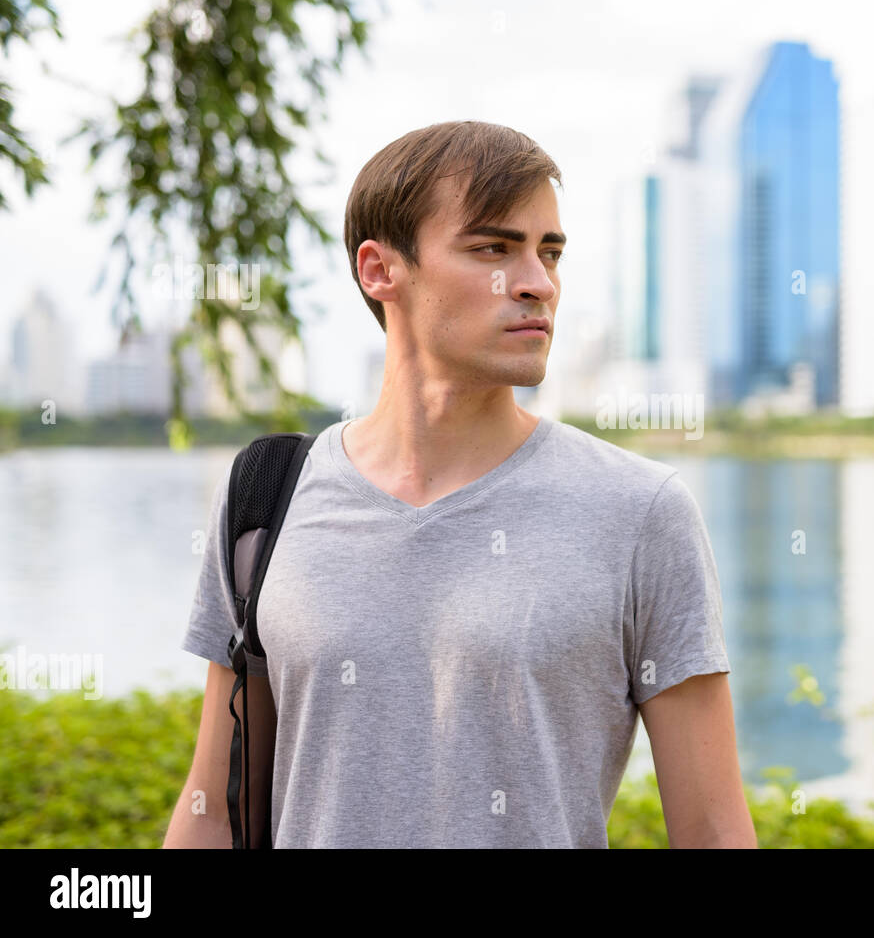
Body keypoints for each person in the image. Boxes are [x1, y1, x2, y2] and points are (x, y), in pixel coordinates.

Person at [162, 120, 755, 848]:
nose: (538, 282)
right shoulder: (265, 496)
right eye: (493, 249)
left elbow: (713, 831)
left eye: (551, 252)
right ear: (381, 270)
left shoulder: (640, 512)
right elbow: (215, 807)